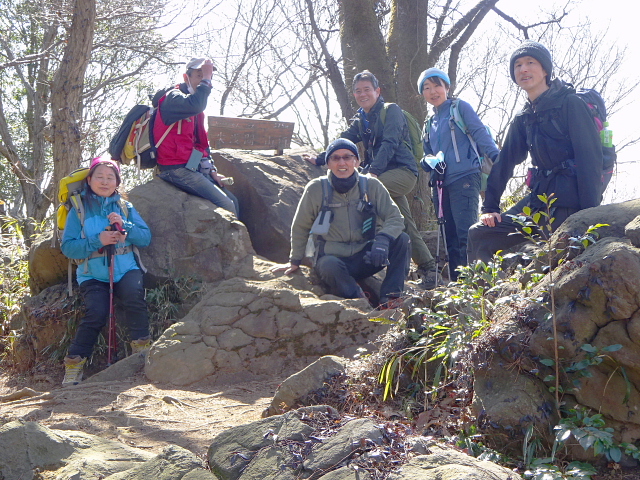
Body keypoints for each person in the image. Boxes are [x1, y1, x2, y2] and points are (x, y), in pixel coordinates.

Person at [467, 41, 603, 263]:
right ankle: (480, 292)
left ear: (545, 70)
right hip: (538, 200)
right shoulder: (524, 117)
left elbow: (590, 160)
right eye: (518, 65)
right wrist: (490, 207)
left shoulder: (570, 104)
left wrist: (589, 215)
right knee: (480, 234)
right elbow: (506, 162)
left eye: (530, 62)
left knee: (545, 261)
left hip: (571, 202)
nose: (523, 69)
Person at [305, 70, 437, 287]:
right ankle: (429, 268)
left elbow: (390, 142)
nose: (362, 94)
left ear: (377, 91)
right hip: (379, 174)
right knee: (402, 221)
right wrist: (321, 158)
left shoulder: (391, 110)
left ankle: (368, 252)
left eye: (367, 89)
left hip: (402, 172)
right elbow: (345, 140)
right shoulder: (361, 119)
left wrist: (373, 173)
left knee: (363, 194)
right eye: (358, 91)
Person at [275, 138, 411, 309]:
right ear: (328, 164)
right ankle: (359, 298)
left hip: (368, 256)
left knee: (402, 240)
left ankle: (391, 298)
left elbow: (396, 218)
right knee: (328, 265)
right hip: (335, 259)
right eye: (335, 158)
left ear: (357, 161)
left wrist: (382, 240)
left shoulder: (372, 185)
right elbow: (301, 226)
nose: (342, 163)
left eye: (347, 157)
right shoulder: (316, 188)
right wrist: (294, 260)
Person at [61, 157, 152, 385]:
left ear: (117, 182)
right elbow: (68, 247)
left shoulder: (124, 207)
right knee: (96, 313)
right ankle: (74, 365)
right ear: (89, 180)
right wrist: (97, 240)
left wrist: (126, 227)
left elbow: (145, 238)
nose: (104, 181)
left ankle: (142, 355)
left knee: (134, 298)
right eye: (99, 177)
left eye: (110, 177)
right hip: (92, 273)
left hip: (126, 268)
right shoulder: (78, 209)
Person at [417, 68, 499, 281]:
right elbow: (426, 154)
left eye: (437, 85)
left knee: (466, 233)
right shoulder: (428, 123)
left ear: (447, 87)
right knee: (449, 237)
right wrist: (427, 162)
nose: (433, 91)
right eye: (427, 88)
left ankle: (474, 285)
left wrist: (498, 159)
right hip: (441, 185)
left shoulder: (459, 108)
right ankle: (456, 287)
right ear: (422, 93)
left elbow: (479, 132)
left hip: (465, 177)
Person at [154, 57, 239, 216]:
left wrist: (211, 171)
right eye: (200, 75)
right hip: (174, 168)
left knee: (233, 200)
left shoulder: (196, 109)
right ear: (186, 77)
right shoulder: (173, 98)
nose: (205, 80)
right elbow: (196, 103)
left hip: (189, 166)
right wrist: (206, 80)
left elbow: (201, 145)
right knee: (227, 205)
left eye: (207, 76)